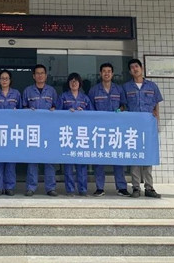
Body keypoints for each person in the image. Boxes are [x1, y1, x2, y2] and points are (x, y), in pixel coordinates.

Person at [88, 62, 131, 197]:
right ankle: (100, 187)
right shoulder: (94, 90)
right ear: (100, 74)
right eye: (104, 71)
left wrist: (120, 110)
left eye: (109, 71)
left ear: (112, 74)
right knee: (99, 158)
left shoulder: (119, 89)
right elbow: (90, 109)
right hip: (99, 130)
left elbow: (124, 105)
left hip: (116, 129)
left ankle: (121, 187)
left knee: (118, 157)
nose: (106, 73)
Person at [123, 58, 163, 198]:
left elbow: (156, 105)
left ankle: (149, 187)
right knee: (134, 156)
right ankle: (135, 187)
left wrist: (157, 119)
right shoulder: (126, 87)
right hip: (133, 128)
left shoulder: (152, 86)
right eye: (132, 67)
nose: (135, 69)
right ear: (130, 71)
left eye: (137, 66)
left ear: (142, 68)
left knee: (147, 156)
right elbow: (123, 106)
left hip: (148, 127)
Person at [21, 64, 62, 197]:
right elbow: (22, 108)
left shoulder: (51, 91)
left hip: (49, 130)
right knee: (33, 159)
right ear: (33, 76)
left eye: (42, 73)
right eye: (37, 73)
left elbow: (57, 107)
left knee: (49, 159)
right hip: (33, 130)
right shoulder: (28, 91)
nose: (40, 75)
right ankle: (31, 187)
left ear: (46, 75)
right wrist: (28, 111)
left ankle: (50, 188)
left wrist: (54, 110)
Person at [60, 72, 93, 197]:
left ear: (80, 83)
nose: (74, 83)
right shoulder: (63, 96)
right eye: (71, 81)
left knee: (81, 161)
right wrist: (66, 113)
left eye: (76, 81)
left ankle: (83, 189)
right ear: (68, 83)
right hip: (67, 133)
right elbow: (56, 113)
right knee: (68, 162)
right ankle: (70, 189)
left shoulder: (85, 98)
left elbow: (92, 114)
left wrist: (83, 112)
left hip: (81, 134)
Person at [0, 69, 21, 196]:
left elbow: (22, 112)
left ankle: (9, 186)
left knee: (11, 159)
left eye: (6, 78)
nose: (4, 80)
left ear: (10, 80)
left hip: (12, 131)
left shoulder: (16, 94)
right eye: (2, 78)